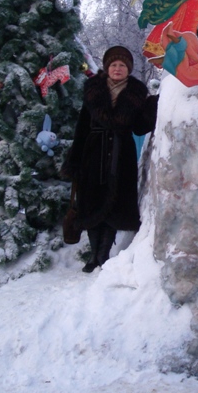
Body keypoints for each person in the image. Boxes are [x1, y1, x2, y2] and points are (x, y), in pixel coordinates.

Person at [62, 46, 158, 273]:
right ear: (107, 68)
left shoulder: (136, 94)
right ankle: (93, 255)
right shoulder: (93, 91)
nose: (117, 69)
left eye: (122, 65)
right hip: (92, 154)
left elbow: (139, 128)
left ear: (128, 69)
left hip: (121, 156)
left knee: (114, 206)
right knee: (92, 203)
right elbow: (81, 128)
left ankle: (103, 256)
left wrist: (152, 107)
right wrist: (74, 161)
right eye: (114, 65)